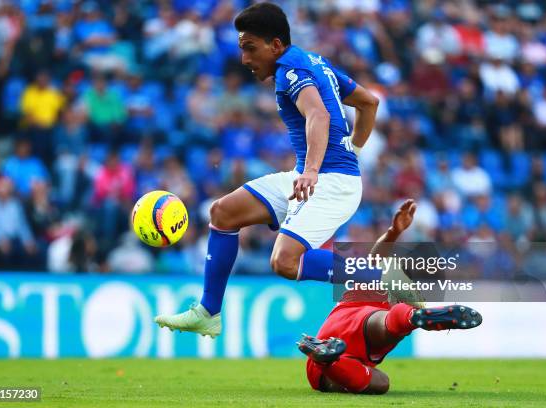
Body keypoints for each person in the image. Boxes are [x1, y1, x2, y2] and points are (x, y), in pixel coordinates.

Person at [155, 2, 379, 337]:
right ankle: (208, 312)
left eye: (250, 48)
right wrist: (353, 153)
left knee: (284, 262)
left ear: (275, 45)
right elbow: (369, 102)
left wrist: (316, 170)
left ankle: (384, 278)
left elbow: (319, 115)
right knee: (223, 212)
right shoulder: (314, 61)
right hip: (317, 174)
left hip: (327, 182)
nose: (244, 59)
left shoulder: (291, 71)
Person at [298, 199, 482, 394]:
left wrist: (394, 231)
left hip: (336, 331)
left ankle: (328, 358)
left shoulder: (373, 276)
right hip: (371, 324)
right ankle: (410, 318)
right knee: (383, 365)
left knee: (362, 371)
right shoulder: (406, 293)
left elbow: (377, 258)